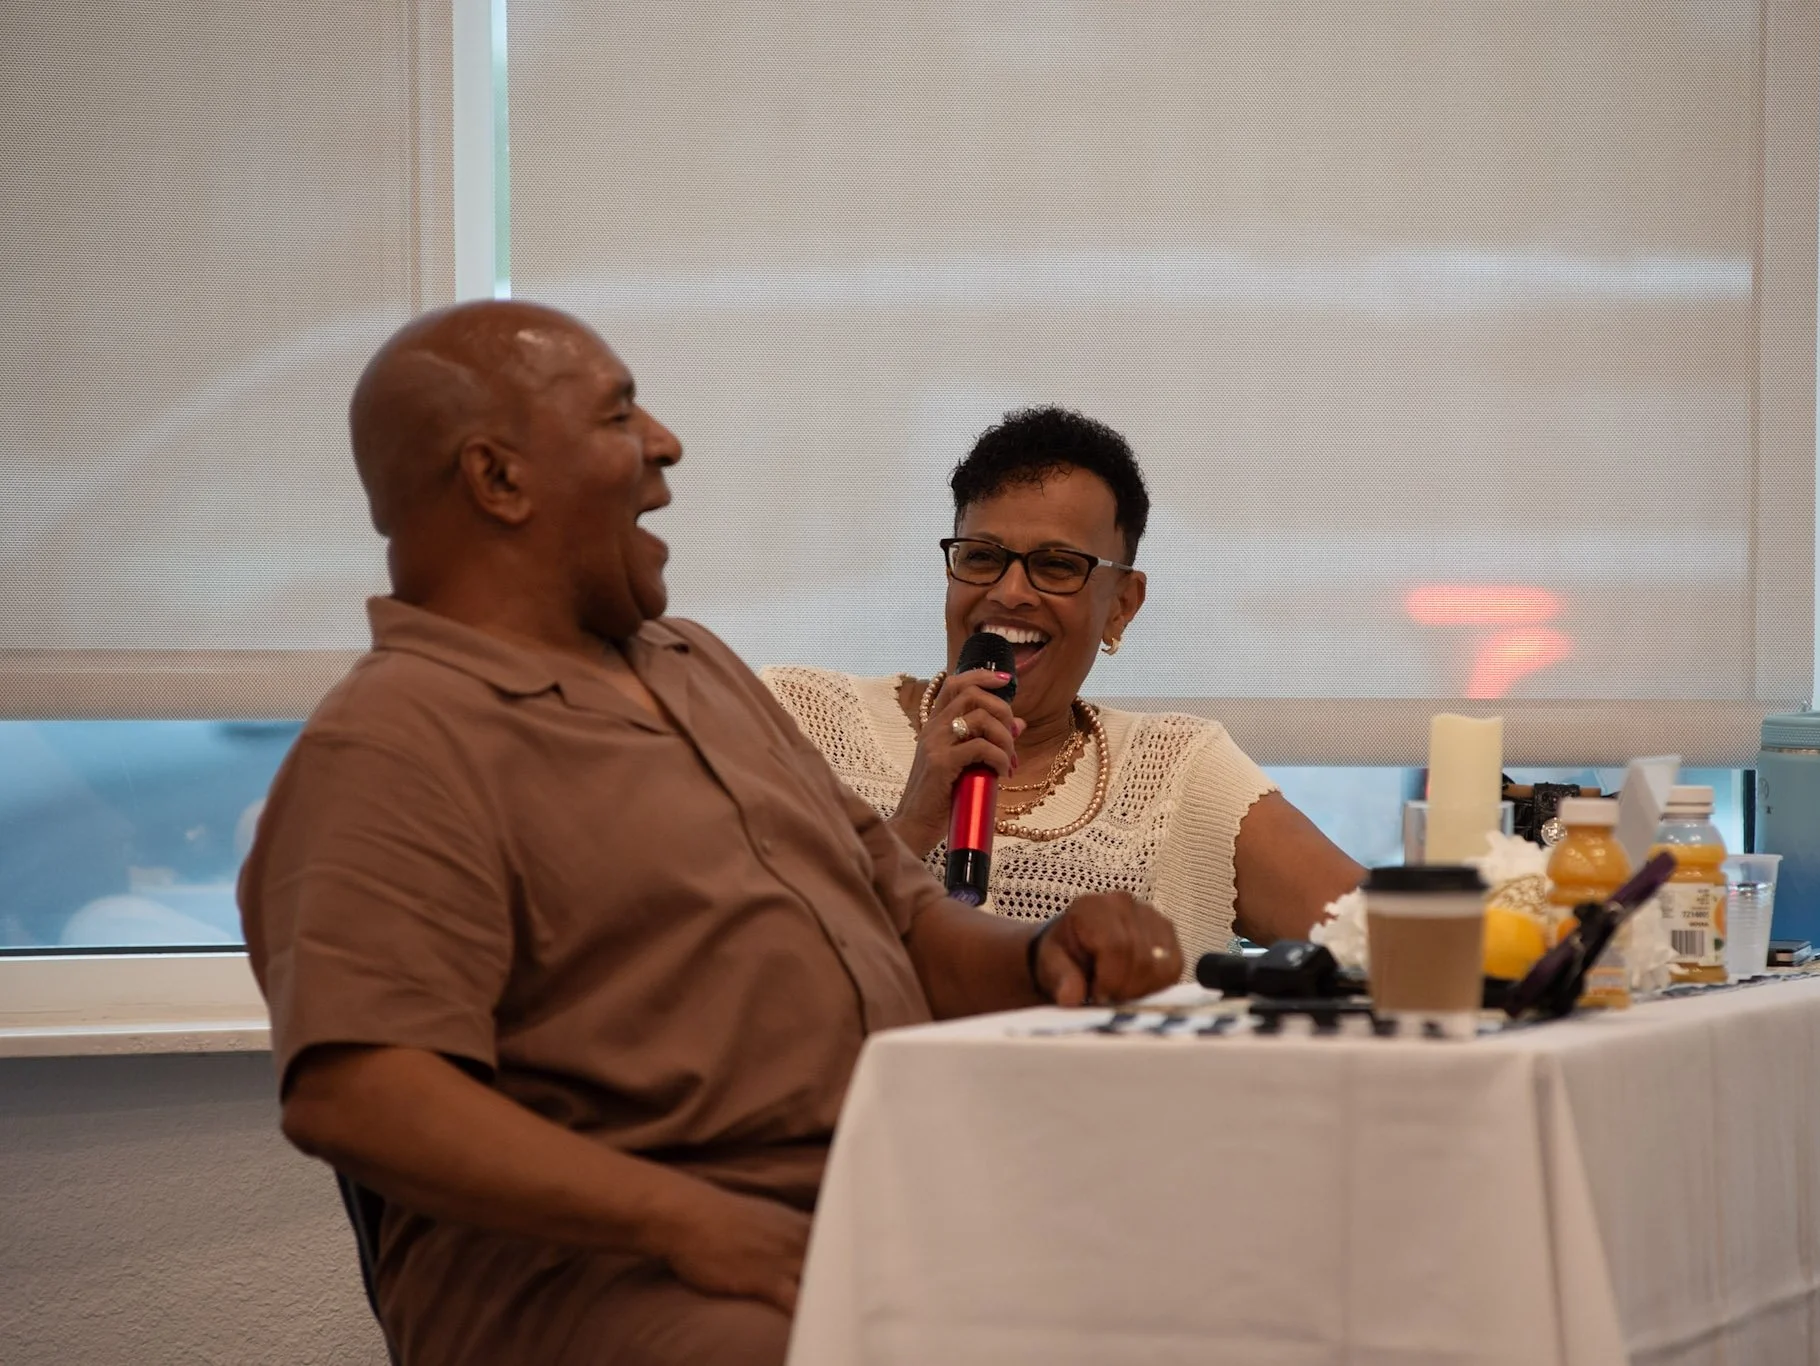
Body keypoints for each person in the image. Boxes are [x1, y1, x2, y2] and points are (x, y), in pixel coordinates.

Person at [237, 302, 1183, 1366]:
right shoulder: (396, 737)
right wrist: (693, 1224)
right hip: (620, 1273)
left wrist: (1043, 949)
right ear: (497, 479)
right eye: (617, 414)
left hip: (864, 1200)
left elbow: (907, 923)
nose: (665, 443)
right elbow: (355, 1091)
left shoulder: (695, 664)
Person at [763, 406, 1363, 965]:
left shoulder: (1179, 772)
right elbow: (726, 954)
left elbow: (1389, 935)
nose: (1009, 592)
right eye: (980, 558)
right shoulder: (801, 718)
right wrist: (911, 827)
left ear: (1121, 605)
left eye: (1056, 566)